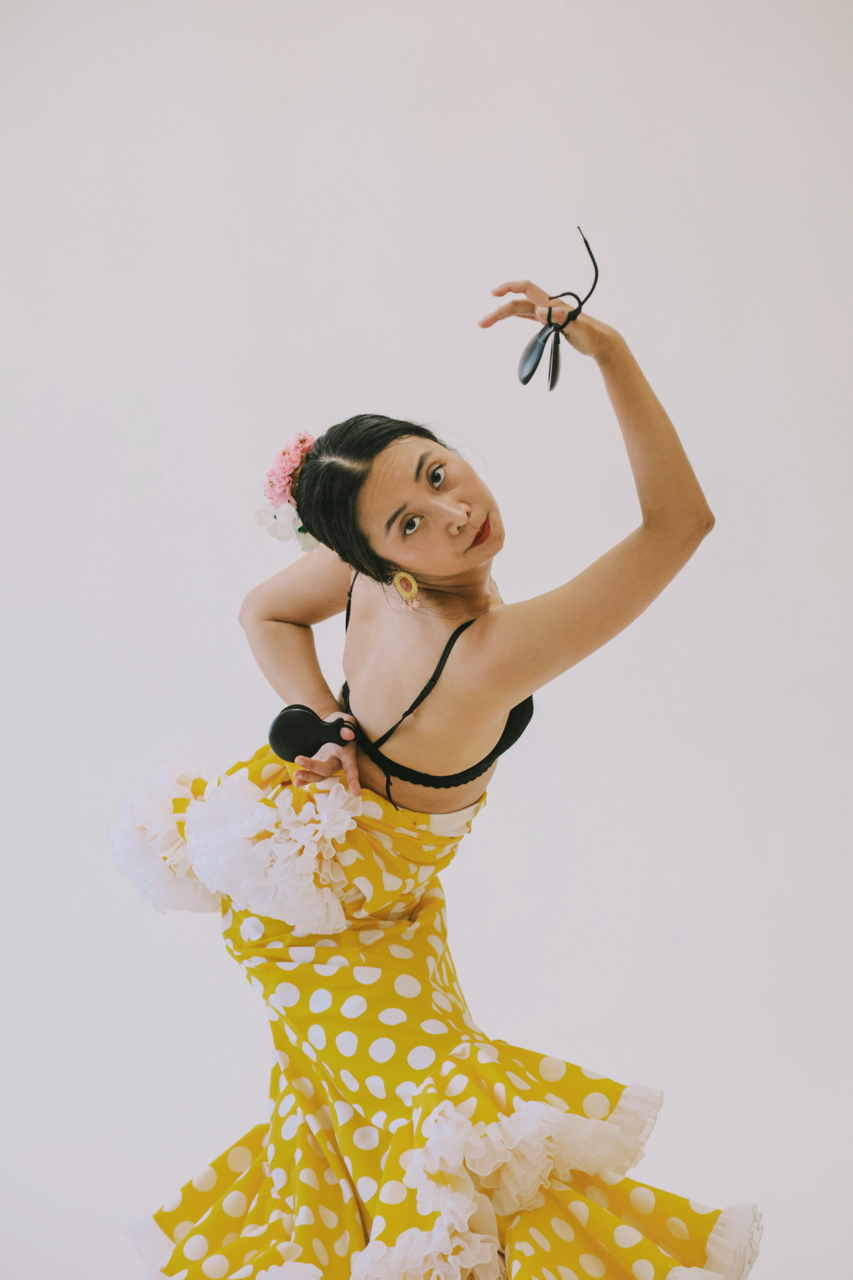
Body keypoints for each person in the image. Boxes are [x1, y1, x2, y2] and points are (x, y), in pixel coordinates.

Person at [111, 278, 762, 1280]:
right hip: (343, 943)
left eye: (438, 471)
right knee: (462, 1160)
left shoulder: (375, 579)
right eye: (410, 524)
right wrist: (608, 351)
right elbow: (677, 524)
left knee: (388, 1164)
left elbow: (263, 611)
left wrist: (322, 719)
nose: (455, 512)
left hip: (335, 912)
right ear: (382, 560)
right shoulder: (486, 653)